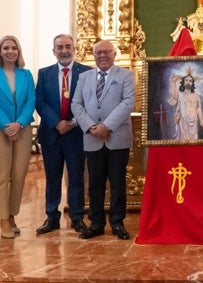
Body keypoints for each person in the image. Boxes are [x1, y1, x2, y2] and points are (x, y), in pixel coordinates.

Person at [71, 40, 135, 240]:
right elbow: (76, 103)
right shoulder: (84, 77)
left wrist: (107, 126)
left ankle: (117, 223)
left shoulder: (126, 75)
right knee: (95, 184)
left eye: (107, 52)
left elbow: (128, 102)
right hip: (92, 138)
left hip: (117, 137)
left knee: (117, 184)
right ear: (94, 55)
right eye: (98, 52)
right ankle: (96, 223)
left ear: (114, 53)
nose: (103, 56)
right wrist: (91, 127)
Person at [35, 34, 91, 235]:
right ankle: (52, 216)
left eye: (68, 46)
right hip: (52, 134)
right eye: (60, 47)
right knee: (52, 177)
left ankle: (77, 217)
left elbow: (89, 101)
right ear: (54, 51)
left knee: (76, 177)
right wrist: (56, 122)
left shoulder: (86, 72)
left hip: (76, 134)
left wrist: (74, 122)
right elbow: (40, 101)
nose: (64, 50)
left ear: (74, 48)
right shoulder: (44, 73)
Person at [0, 35, 36, 239]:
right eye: (6, 48)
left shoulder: (26, 74)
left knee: (19, 175)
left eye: (14, 48)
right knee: (2, 175)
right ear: (0, 51)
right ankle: (3, 219)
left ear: (18, 51)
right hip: (0, 129)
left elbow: (31, 99)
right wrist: (7, 125)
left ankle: (12, 214)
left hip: (23, 128)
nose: (10, 51)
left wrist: (20, 123)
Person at [168, 72, 203, 140]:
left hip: (194, 120)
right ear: (183, 82)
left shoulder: (197, 96)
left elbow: (199, 109)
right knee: (183, 138)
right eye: (186, 80)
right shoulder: (180, 95)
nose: (188, 82)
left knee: (194, 139)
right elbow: (173, 94)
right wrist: (174, 82)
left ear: (192, 83)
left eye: (190, 81)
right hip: (183, 120)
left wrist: (201, 121)